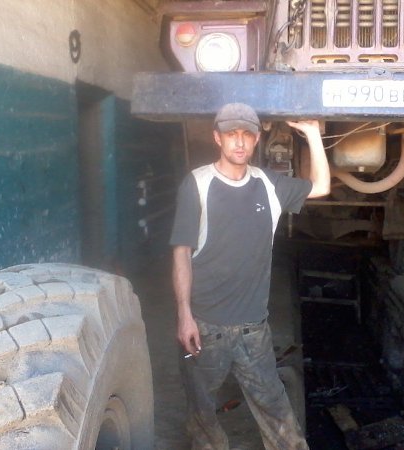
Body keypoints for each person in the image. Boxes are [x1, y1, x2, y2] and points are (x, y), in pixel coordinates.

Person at [170, 103, 330, 450]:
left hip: (253, 331)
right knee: (201, 414)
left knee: (277, 411)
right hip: (205, 328)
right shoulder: (197, 184)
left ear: (257, 140)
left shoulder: (268, 185)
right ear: (217, 138)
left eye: (247, 135)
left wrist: (313, 134)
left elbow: (321, 186)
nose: (239, 142)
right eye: (232, 134)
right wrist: (184, 315)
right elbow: (181, 252)